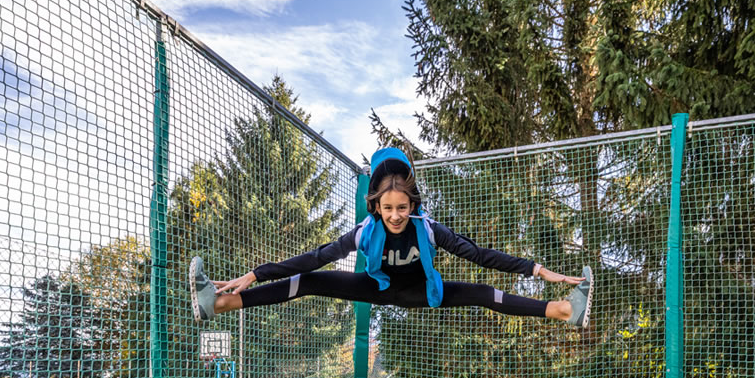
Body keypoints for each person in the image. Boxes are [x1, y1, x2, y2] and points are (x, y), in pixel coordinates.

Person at [189, 147, 594, 328]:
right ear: (377, 207)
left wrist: (538, 270)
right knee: (310, 280)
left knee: (484, 292)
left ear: (412, 204)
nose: (396, 216)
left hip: (422, 292)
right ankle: (219, 302)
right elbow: (316, 256)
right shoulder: (366, 232)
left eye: (403, 207)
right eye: (388, 208)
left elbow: (479, 254)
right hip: (377, 288)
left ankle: (564, 310)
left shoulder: (428, 229)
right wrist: (255, 274)